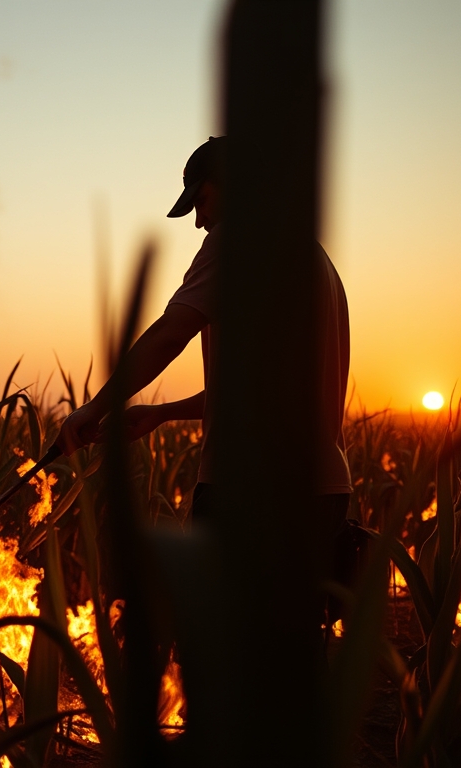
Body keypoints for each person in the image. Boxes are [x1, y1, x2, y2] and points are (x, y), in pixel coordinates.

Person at [56, 136, 352, 546]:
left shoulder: (238, 240)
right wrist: (162, 413)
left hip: (249, 488)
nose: (199, 220)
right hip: (323, 493)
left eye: (203, 200)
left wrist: (93, 408)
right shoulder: (313, 256)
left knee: (216, 611)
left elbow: (170, 333)